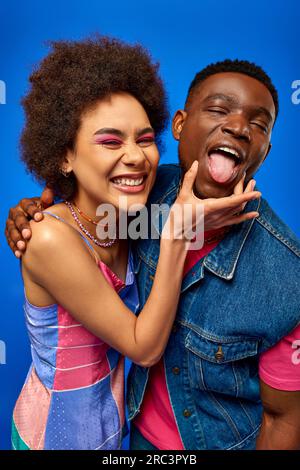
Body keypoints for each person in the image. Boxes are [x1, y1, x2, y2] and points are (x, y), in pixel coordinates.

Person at [6, 58, 297, 451]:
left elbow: (284, 419)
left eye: (144, 140)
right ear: (179, 125)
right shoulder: (136, 203)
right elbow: (142, 345)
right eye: (111, 141)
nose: (239, 127)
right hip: (66, 434)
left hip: (128, 432)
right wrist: (30, 219)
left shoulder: (284, 277)